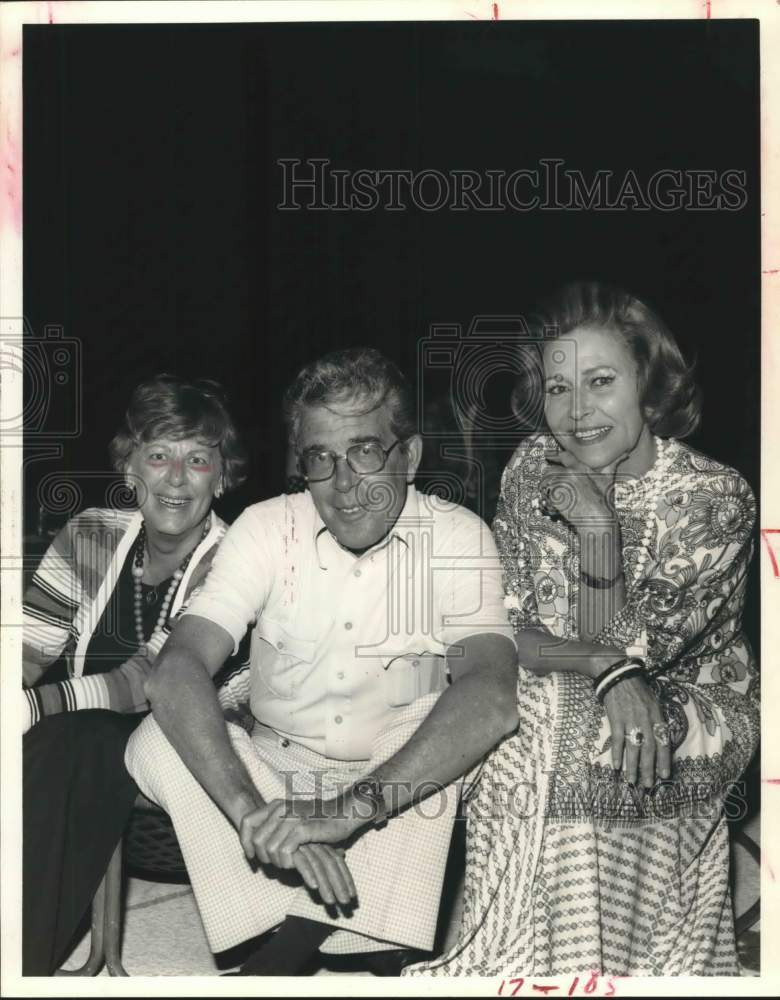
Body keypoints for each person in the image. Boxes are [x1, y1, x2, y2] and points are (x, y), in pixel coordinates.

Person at [125, 347, 519, 976]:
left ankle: (285, 944)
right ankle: (347, 921)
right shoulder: (264, 527)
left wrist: (343, 815)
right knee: (154, 739)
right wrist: (255, 814)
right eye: (320, 459)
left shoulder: (458, 537)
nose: (343, 485)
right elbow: (176, 670)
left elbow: (493, 697)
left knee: (437, 710)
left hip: (391, 785)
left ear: (409, 456)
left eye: (366, 451)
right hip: (274, 773)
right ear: (299, 462)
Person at [406, 281, 759, 977]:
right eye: (558, 388)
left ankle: (504, 964)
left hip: (697, 707)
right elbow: (496, 622)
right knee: (441, 685)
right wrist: (598, 666)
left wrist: (598, 532)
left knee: (537, 711)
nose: (577, 412)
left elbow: (643, 655)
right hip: (578, 682)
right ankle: (525, 953)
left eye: (600, 382)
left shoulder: (714, 498)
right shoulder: (532, 465)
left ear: (650, 388)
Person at [22, 374, 250, 975]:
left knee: (75, 739)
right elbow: (27, 649)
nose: (176, 478)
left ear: (221, 477)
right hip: (67, 731)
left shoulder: (235, 561)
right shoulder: (92, 533)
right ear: (130, 470)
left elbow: (147, 682)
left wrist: (29, 708)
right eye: (158, 456)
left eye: (197, 459)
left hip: (175, 740)